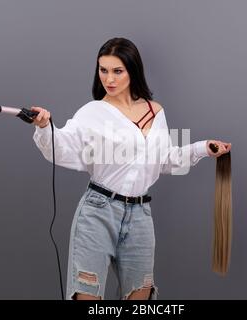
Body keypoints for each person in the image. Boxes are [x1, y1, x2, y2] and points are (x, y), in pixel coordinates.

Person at [32, 37, 231, 300]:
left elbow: (164, 160)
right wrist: (45, 126)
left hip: (140, 217)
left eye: (117, 71)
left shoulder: (154, 111)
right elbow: (61, 146)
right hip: (97, 212)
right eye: (103, 70)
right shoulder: (93, 112)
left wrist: (204, 148)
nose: (109, 79)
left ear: (132, 70)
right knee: (87, 296)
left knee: (141, 299)